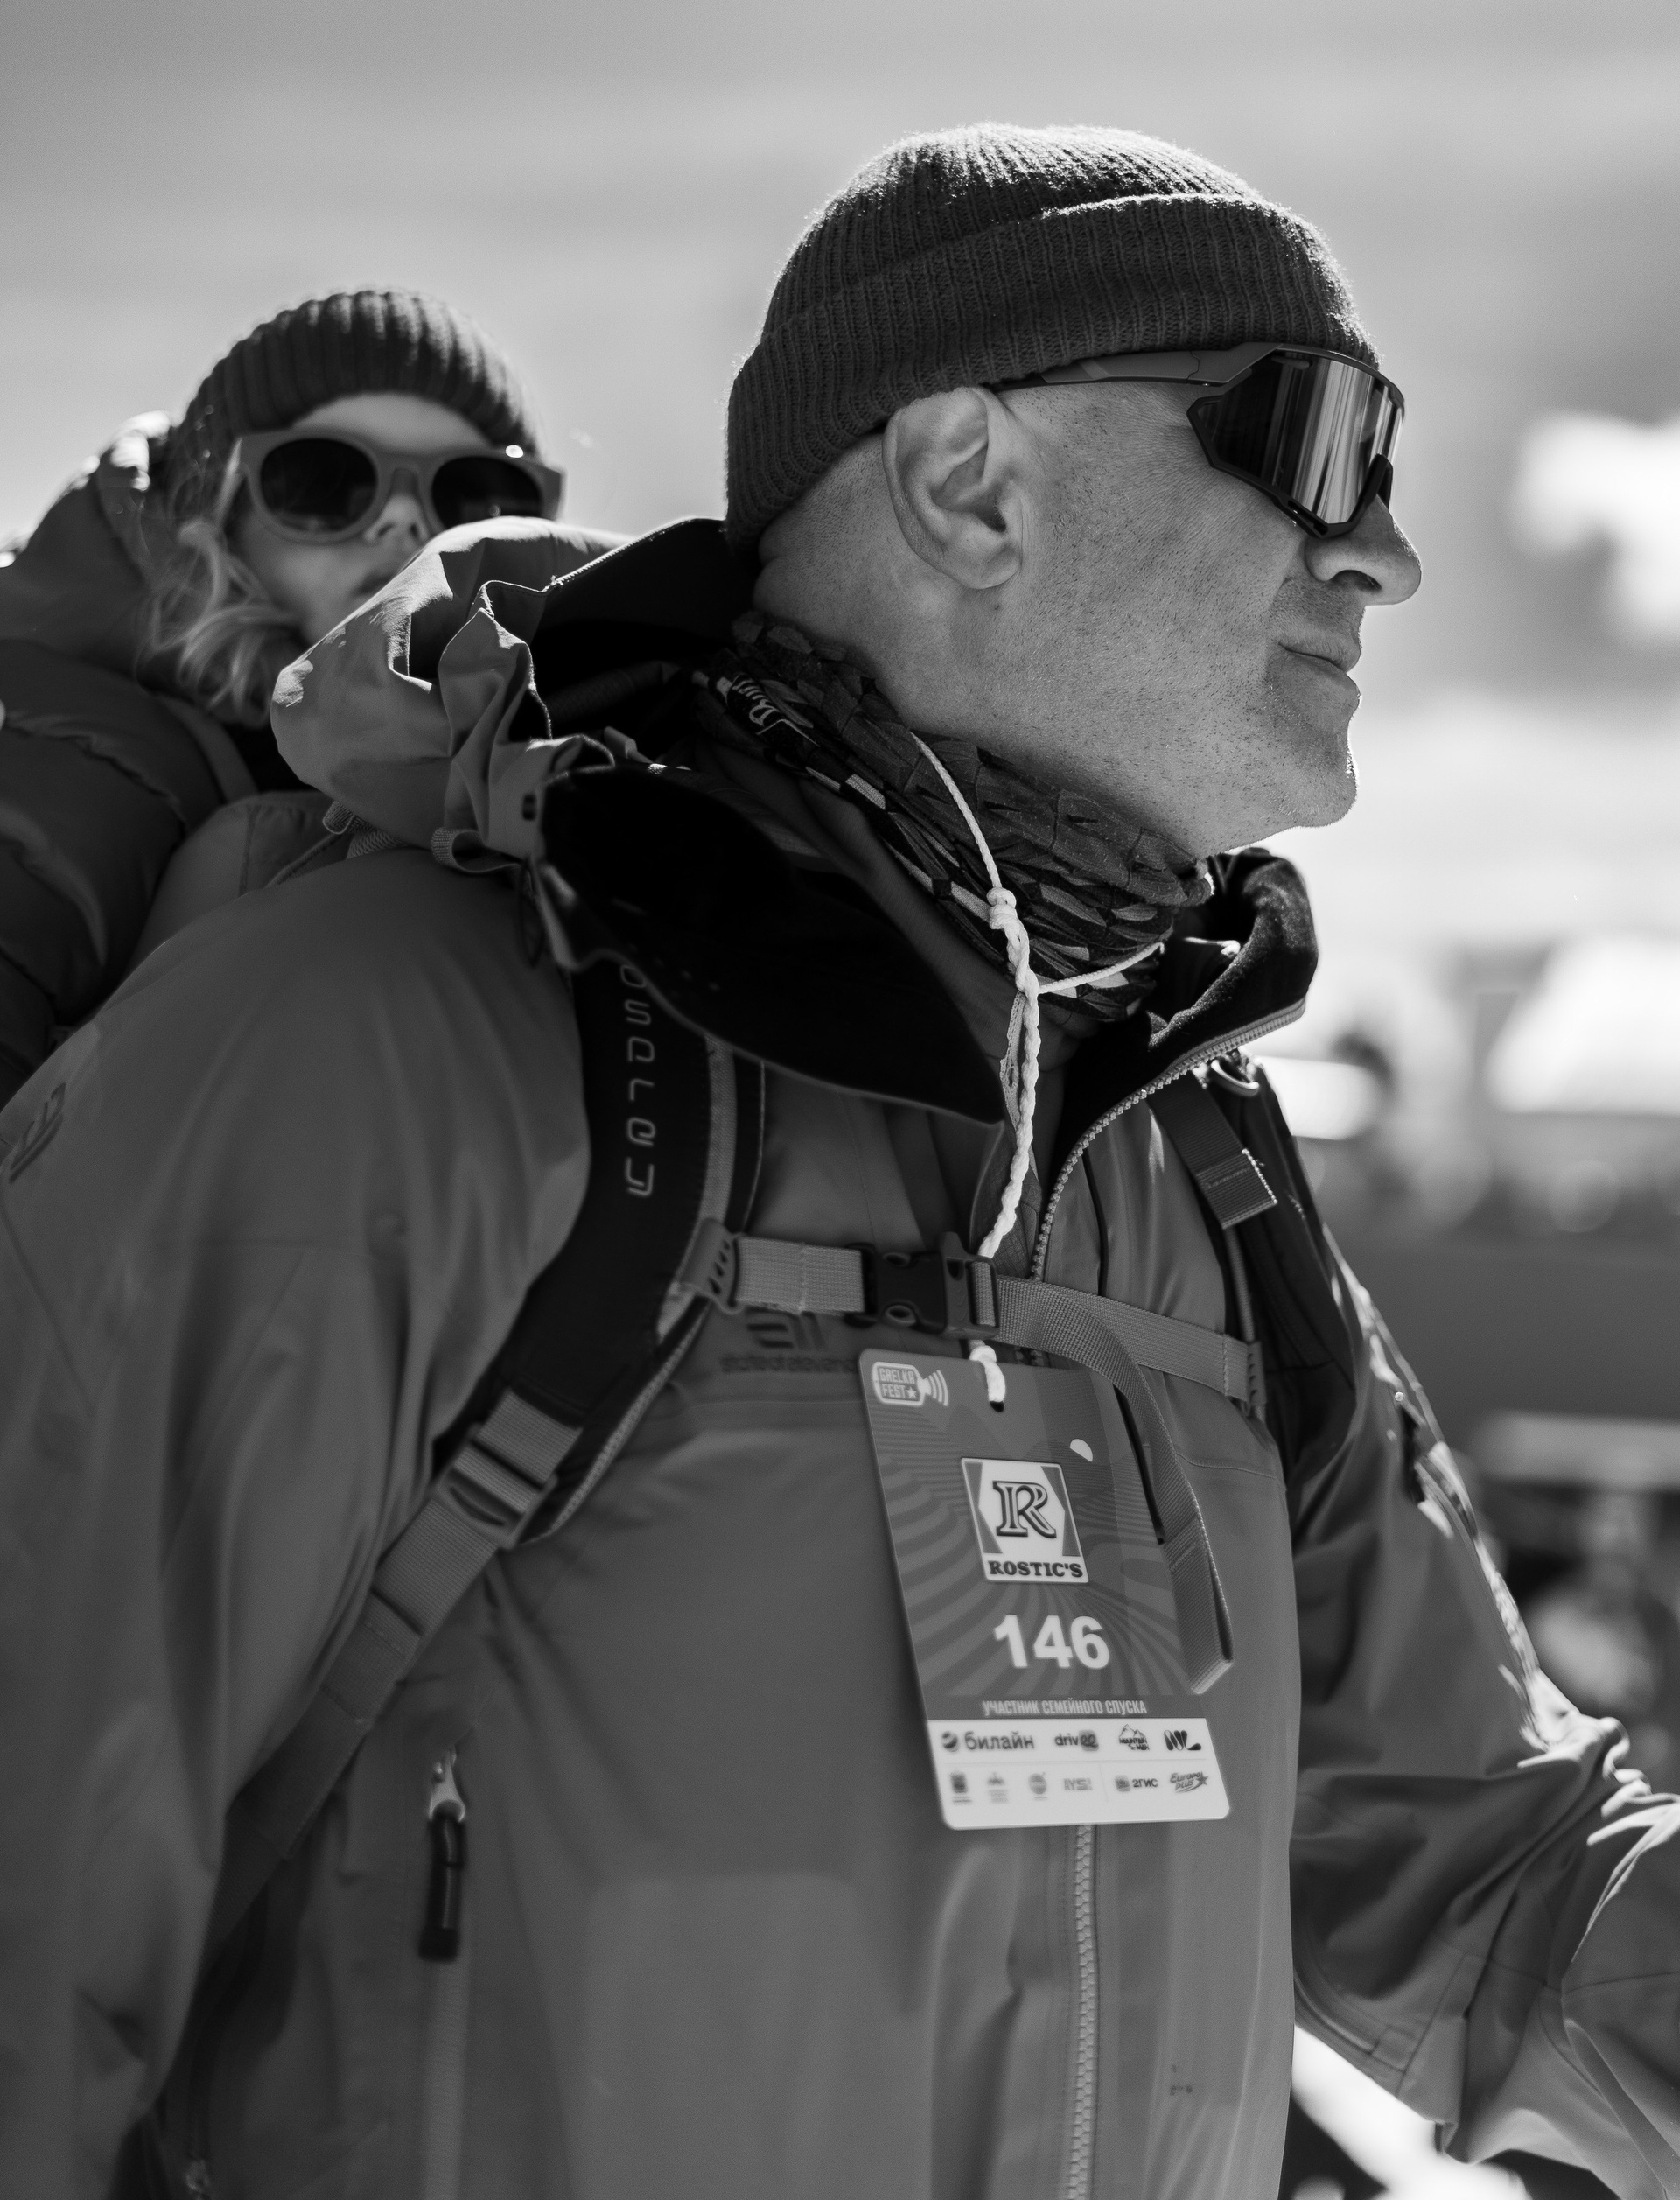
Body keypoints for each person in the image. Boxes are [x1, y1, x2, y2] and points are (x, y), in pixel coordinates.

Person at [4, 126, 1678, 2200]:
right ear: (969, 484)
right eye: (1314, 441)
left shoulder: (1198, 1173)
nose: (1384, 553)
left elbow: (1500, 1869)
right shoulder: (378, 1041)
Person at [0, 287, 561, 1102]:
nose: (407, 522)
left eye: (474, 496)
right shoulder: (78, 737)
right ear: (213, 515)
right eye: (325, 481)